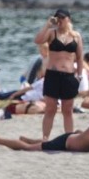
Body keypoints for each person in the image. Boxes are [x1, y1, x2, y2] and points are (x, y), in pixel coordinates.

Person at [34, 9, 84, 140]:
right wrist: (48, 24)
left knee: (67, 110)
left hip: (69, 76)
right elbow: (38, 40)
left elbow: (79, 58)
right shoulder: (51, 33)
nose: (60, 20)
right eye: (58, 18)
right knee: (50, 109)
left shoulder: (76, 36)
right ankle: (45, 138)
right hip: (53, 75)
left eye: (62, 18)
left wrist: (79, 76)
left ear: (69, 19)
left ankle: (69, 138)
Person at [0, 125, 89, 152]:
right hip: (64, 143)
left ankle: (30, 139)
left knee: (47, 142)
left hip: (71, 138)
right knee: (29, 148)